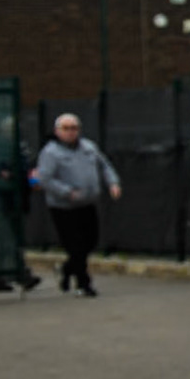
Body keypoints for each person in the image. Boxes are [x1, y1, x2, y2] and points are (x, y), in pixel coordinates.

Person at [34, 112, 120, 296]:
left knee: (90, 241)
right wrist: (67, 192)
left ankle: (66, 269)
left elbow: (104, 165)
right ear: (57, 131)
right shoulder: (51, 152)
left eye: (74, 128)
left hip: (87, 202)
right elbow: (45, 178)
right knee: (75, 245)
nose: (71, 132)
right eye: (66, 129)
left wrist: (113, 183)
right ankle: (84, 283)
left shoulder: (88, 147)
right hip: (63, 207)